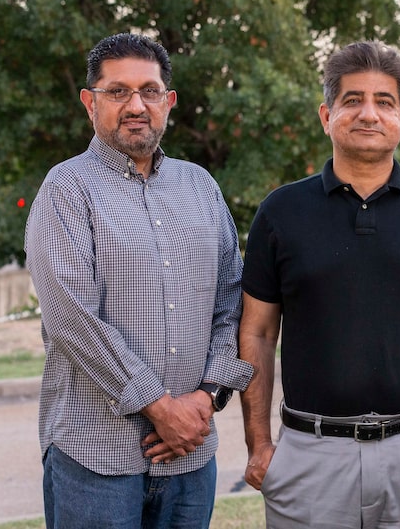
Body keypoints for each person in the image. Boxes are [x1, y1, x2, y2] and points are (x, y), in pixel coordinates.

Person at [238, 40, 400, 528]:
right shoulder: (281, 212)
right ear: (327, 115)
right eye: (352, 100)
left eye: (384, 101)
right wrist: (259, 444)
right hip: (309, 456)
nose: (368, 113)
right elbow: (257, 332)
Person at [24, 32, 253, 529]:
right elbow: (72, 319)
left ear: (168, 101)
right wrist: (159, 406)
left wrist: (207, 395)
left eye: (149, 91)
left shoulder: (200, 188)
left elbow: (230, 299)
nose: (136, 105)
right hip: (95, 458)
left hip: (190, 460)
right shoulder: (66, 189)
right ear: (90, 103)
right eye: (118, 91)